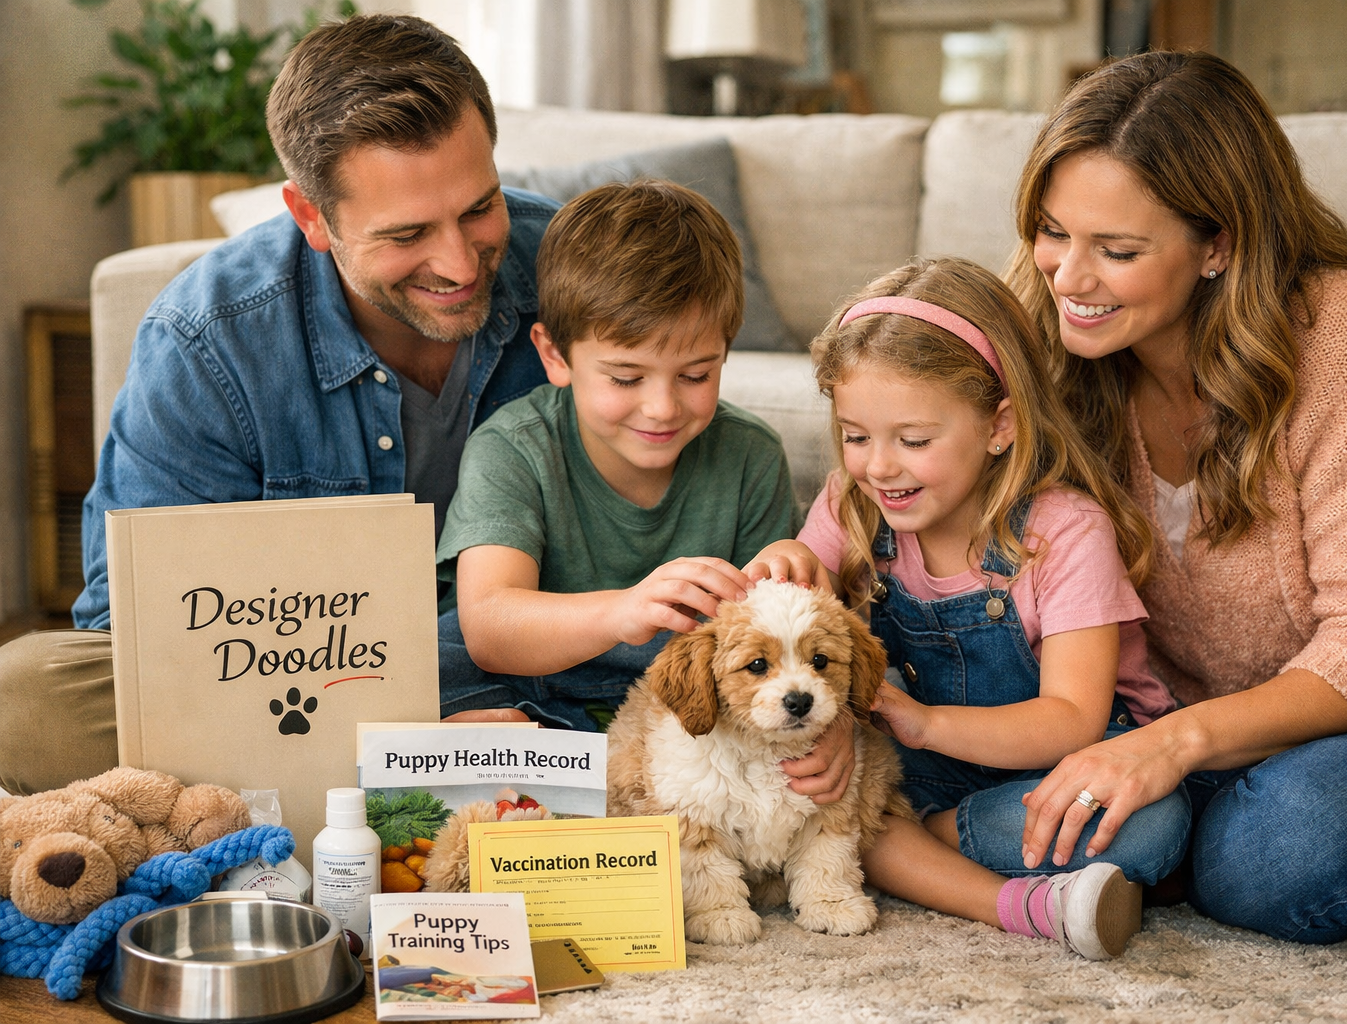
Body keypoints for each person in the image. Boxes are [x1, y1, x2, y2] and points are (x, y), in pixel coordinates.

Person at [1003, 50, 1347, 944]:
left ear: (1221, 244)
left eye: (1118, 250)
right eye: (1053, 231)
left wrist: (1168, 747)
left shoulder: (1341, 337)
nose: (1067, 277)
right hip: (1229, 734)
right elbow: (925, 481)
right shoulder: (1056, 334)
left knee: (1277, 853)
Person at [0, 13, 557, 795]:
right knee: (26, 696)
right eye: (406, 233)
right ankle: (411, 763)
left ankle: (390, 769)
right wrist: (396, 723)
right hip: (299, 683)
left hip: (535, 654)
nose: (459, 263)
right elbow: (138, 629)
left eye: (478, 208)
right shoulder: (206, 339)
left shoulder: (569, 268)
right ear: (311, 217)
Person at [747, 256, 1190, 960]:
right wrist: (785, 562)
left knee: (1153, 822)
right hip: (915, 769)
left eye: (914, 441)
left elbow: (1072, 720)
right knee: (846, 793)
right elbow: (792, 633)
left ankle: (939, 841)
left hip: (1060, 762)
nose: (879, 467)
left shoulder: (1065, 532)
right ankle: (1025, 903)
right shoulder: (852, 506)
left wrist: (922, 723)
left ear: (998, 425)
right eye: (856, 436)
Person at [435, 180, 806, 734]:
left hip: (682, 702)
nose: (661, 407)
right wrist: (623, 611)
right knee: (432, 659)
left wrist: (789, 567)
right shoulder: (514, 446)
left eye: (696, 375)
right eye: (626, 377)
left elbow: (771, 645)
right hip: (534, 688)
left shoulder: (750, 454)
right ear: (554, 356)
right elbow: (490, 627)